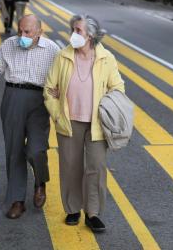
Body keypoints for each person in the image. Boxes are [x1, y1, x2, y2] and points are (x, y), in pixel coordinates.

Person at [44, 14, 125, 233]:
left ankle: (93, 213)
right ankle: (72, 209)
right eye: (73, 29)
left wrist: (107, 105)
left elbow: (118, 88)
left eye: (78, 31)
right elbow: (49, 89)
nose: (73, 34)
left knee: (96, 167)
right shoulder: (63, 56)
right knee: (71, 166)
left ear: (90, 35)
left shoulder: (106, 58)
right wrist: (57, 114)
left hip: (97, 122)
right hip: (69, 121)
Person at [0, 14, 60, 219]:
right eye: (20, 31)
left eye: (27, 32)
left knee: (36, 150)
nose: (22, 35)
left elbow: (63, 75)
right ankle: (17, 200)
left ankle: (40, 182)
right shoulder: (8, 45)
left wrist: (60, 92)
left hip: (39, 100)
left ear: (39, 32)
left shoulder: (52, 49)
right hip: (12, 96)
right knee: (14, 150)